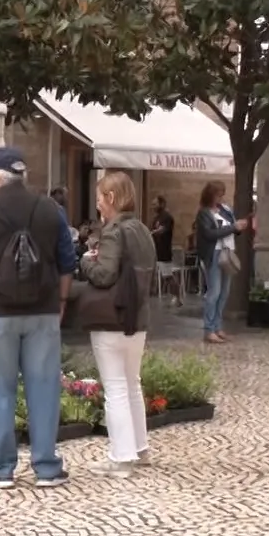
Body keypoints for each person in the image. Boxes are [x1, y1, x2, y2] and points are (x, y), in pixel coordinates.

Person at [0, 146, 79, 490]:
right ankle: (47, 467)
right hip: (43, 312)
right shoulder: (51, 210)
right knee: (44, 388)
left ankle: (1, 467)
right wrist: (62, 301)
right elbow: (67, 263)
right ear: (22, 176)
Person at [80, 171, 159, 477]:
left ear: (111, 199)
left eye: (100, 197)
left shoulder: (114, 232)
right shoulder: (142, 230)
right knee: (132, 383)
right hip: (138, 318)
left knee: (115, 387)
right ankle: (140, 449)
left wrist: (87, 260)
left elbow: (104, 275)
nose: (98, 203)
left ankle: (121, 458)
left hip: (112, 318)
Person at [194, 182, 247, 344]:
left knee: (224, 292)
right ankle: (209, 329)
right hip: (214, 253)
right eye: (218, 194)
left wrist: (238, 227)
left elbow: (232, 229)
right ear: (210, 195)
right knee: (214, 292)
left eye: (222, 194)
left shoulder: (225, 210)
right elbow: (210, 234)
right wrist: (233, 227)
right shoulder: (204, 213)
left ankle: (217, 326)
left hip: (227, 252)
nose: (220, 197)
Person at [149, 195, 176, 264]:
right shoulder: (155, 218)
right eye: (152, 204)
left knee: (164, 273)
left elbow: (162, 230)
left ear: (161, 204)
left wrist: (150, 233)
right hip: (156, 254)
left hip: (164, 255)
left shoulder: (167, 217)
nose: (153, 207)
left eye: (155, 204)